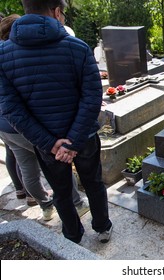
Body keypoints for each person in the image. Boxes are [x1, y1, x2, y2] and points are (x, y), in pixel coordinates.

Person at [0, 0, 112, 244]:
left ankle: (72, 235)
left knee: (61, 192)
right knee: (93, 183)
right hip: (83, 138)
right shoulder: (78, 47)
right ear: (57, 11)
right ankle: (102, 227)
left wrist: (50, 144)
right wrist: (72, 142)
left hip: (46, 143)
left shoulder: (2, 55)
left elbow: (10, 108)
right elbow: (92, 98)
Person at [0, 13, 89, 219]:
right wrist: (51, 142)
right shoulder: (22, 55)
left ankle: (45, 206)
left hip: (5, 128)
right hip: (26, 128)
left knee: (27, 169)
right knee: (59, 164)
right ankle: (77, 203)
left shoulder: (4, 55)